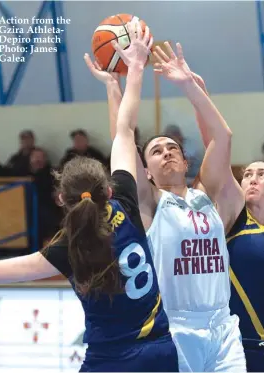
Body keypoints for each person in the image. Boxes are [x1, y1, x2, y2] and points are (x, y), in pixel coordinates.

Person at [0, 21, 178, 372]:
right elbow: (124, 132)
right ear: (108, 188)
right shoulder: (125, 202)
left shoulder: (67, 247)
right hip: (161, 351)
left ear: (61, 199)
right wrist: (130, 72)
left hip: (110, 360)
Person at [85, 41, 246, 371]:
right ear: (145, 171)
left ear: (186, 162)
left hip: (223, 328)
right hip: (173, 327)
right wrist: (120, 83)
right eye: (156, 151)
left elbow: (223, 137)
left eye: (172, 148)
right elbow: (124, 138)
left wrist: (188, 84)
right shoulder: (149, 204)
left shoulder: (210, 197)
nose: (167, 152)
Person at [227, 161, 264, 372]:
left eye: (261, 174)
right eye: (247, 175)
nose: (253, 179)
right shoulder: (233, 220)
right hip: (244, 348)